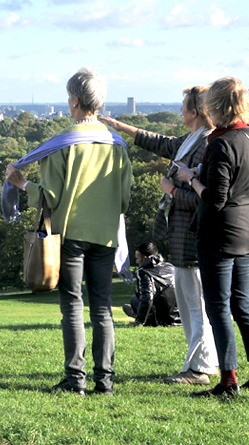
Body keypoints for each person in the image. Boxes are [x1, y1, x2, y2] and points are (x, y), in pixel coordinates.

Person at [6, 67, 132, 396]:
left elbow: (50, 196)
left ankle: (75, 379)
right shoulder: (116, 144)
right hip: (106, 235)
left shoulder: (63, 143)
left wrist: (23, 185)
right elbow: (126, 198)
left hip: (70, 235)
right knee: (102, 308)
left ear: (75, 101)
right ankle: (105, 381)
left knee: (73, 307)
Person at [101, 86, 218, 384]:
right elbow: (159, 142)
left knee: (195, 303)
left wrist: (173, 191)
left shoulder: (207, 143)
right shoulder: (192, 139)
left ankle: (200, 369)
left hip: (192, 236)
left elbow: (208, 199)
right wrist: (119, 126)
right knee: (192, 302)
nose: (180, 110)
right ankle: (204, 364)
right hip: (183, 236)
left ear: (195, 111)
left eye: (183, 106)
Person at [178, 77, 249, 397]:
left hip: (218, 235)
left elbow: (215, 199)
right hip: (245, 233)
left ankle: (229, 380)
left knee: (219, 308)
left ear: (214, 106)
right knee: (243, 307)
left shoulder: (220, 144)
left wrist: (190, 180)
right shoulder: (246, 136)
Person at [123, 242, 180, 327]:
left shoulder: (144, 272)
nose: (137, 261)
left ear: (145, 258)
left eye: (137, 258)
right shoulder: (170, 267)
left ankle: (137, 316)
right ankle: (136, 313)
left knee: (134, 300)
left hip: (159, 320)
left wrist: (138, 322)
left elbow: (147, 299)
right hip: (179, 318)